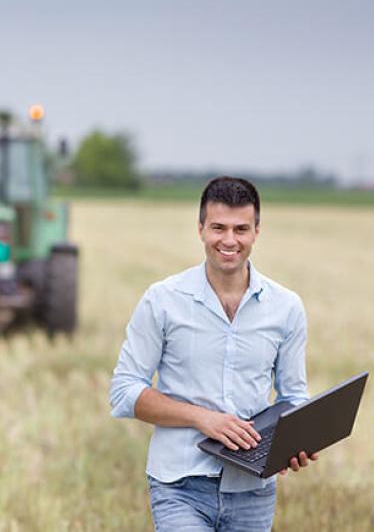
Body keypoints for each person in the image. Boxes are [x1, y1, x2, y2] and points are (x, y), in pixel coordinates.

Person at [110, 177, 318, 531]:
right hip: (179, 485)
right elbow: (124, 392)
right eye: (218, 227)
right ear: (201, 229)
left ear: (256, 232)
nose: (229, 240)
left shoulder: (286, 307)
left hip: (253, 490)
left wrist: (296, 443)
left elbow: (293, 396)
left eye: (241, 229)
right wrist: (202, 418)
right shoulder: (162, 300)